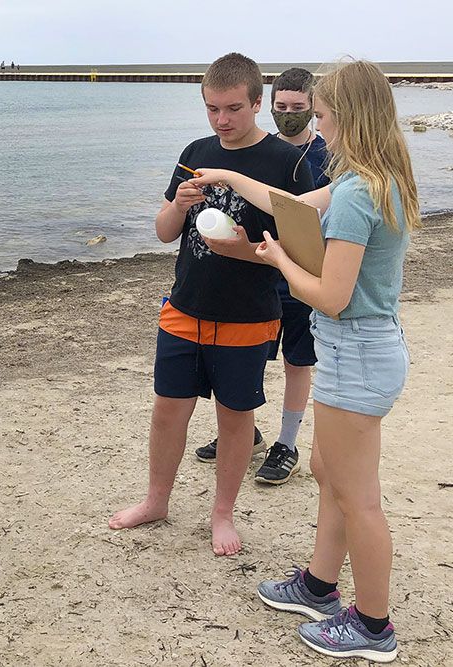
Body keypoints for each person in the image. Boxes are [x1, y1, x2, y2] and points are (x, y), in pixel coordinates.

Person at [191, 59, 417, 663]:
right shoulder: (375, 177)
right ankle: (318, 585)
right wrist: (229, 178)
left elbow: (329, 295)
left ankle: (372, 626)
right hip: (362, 348)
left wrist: (276, 259)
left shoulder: (356, 194)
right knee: (326, 469)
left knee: (357, 495)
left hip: (356, 349)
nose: (312, 124)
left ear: (346, 116)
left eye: (319, 115)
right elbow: (289, 202)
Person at [107, 53, 313, 556]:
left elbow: (308, 257)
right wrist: (177, 205)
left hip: (249, 315)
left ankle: (223, 515)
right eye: (212, 108)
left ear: (258, 103)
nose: (222, 120)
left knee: (235, 417)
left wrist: (247, 251)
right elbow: (162, 234)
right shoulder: (196, 151)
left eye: (233, 109)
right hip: (184, 306)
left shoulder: (288, 163)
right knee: (167, 412)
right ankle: (156, 500)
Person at [195, 67, 330, 484]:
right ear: (267, 106)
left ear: (313, 109)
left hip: (298, 272)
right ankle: (244, 429)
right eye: (281, 107)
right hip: (255, 276)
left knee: (296, 358)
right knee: (246, 358)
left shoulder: (322, 156)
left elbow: (305, 215)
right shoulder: (258, 150)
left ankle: (286, 442)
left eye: (299, 109)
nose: (288, 115)